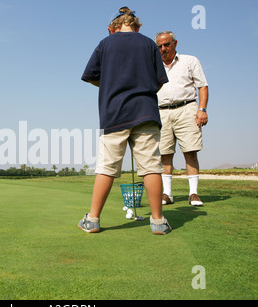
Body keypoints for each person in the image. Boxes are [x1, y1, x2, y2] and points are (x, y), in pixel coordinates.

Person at [78, 7, 171, 235]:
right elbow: (159, 81)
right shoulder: (149, 44)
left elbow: (89, 76)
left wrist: (109, 84)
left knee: (107, 168)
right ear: (138, 26)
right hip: (146, 112)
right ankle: (158, 221)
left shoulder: (105, 43)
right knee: (151, 168)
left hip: (114, 114)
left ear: (112, 29)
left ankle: (93, 220)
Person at [154, 31, 209, 207]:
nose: (163, 49)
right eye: (160, 46)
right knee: (165, 153)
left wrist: (202, 109)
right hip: (162, 112)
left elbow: (202, 86)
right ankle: (167, 194)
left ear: (175, 43)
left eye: (167, 44)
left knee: (190, 150)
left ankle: (193, 193)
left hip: (187, 108)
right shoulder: (153, 65)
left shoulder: (189, 61)